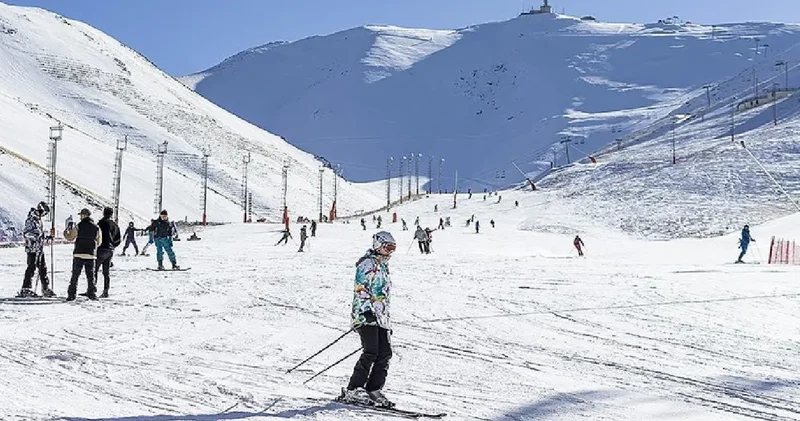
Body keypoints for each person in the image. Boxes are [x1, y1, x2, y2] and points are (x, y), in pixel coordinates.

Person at [339, 231, 396, 408]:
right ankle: (354, 389)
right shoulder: (367, 263)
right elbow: (360, 288)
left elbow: (383, 294)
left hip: (381, 317)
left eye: (393, 248)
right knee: (371, 351)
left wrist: (386, 318)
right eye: (388, 247)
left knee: (385, 353)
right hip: (365, 314)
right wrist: (366, 310)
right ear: (378, 245)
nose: (390, 251)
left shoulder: (383, 265)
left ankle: (374, 389)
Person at [63, 208, 101, 301]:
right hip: (91, 255)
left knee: (75, 275)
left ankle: (71, 294)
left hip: (78, 253)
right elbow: (99, 241)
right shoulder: (96, 227)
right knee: (90, 276)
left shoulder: (79, 226)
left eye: (81, 215)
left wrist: (66, 232)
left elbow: (70, 237)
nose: (80, 217)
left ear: (84, 215)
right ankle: (91, 293)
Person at [19, 201, 55, 298]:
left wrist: (48, 237)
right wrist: (38, 235)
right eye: (44, 213)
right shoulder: (31, 220)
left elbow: (40, 235)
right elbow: (27, 233)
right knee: (31, 267)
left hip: (39, 248)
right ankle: (25, 288)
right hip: (32, 248)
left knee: (43, 268)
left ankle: (45, 288)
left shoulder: (38, 220)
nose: (44, 215)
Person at [95, 207, 121, 298]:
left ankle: (92, 289)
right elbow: (118, 239)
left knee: (94, 270)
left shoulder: (101, 223)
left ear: (104, 213)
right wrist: (113, 246)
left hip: (101, 248)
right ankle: (106, 291)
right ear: (111, 214)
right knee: (106, 272)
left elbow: (97, 236)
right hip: (110, 250)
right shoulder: (115, 225)